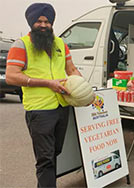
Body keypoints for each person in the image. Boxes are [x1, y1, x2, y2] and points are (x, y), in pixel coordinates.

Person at [5, 3, 81, 187]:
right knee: (45, 159)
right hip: (39, 110)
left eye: (47, 21)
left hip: (62, 106)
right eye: (39, 21)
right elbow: (11, 76)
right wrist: (48, 83)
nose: (43, 25)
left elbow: (71, 70)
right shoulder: (21, 44)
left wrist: (83, 89)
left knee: (55, 152)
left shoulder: (61, 44)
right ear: (31, 22)